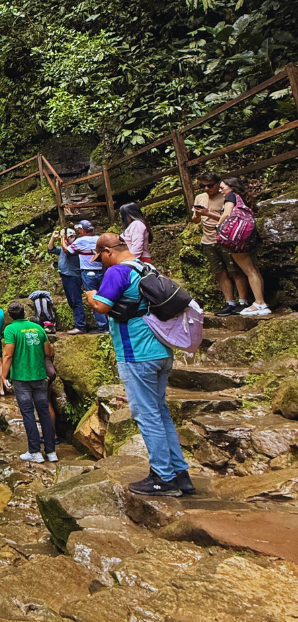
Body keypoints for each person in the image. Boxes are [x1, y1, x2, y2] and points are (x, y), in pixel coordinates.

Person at [86, 232, 192, 496]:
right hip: (161, 349)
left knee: (147, 415)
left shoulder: (117, 272)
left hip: (136, 353)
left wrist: (90, 296)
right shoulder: (147, 267)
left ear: (108, 252)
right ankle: (180, 474)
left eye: (101, 258)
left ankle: (163, 478)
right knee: (160, 412)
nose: (101, 263)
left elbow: (101, 306)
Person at [197, 178, 269, 317]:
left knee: (249, 270)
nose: (221, 190)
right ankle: (260, 302)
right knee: (253, 269)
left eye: (222, 187)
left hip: (237, 239)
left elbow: (227, 213)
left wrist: (220, 227)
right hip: (246, 237)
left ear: (231, 187)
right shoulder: (242, 198)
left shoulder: (231, 196)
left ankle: (259, 303)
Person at [2, 304, 56, 463]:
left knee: (28, 414)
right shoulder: (37, 328)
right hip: (39, 376)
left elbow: (8, 355)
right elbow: (49, 352)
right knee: (44, 413)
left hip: (22, 378)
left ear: (10, 315)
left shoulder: (11, 330)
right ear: (24, 313)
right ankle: (51, 451)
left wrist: (4, 376)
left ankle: (35, 452)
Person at [191, 172, 251, 315]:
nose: (206, 189)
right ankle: (229, 302)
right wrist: (197, 214)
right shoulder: (200, 197)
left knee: (235, 270)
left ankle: (243, 301)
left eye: (210, 186)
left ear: (218, 184)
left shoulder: (226, 196)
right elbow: (195, 220)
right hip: (208, 240)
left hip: (226, 239)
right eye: (202, 186)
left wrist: (208, 213)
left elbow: (231, 217)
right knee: (220, 273)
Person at [61, 221, 109, 332]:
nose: (78, 232)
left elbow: (66, 250)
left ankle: (103, 326)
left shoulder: (80, 241)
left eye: (79, 230)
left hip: (88, 272)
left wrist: (63, 238)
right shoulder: (99, 239)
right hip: (102, 271)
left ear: (83, 230)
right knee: (105, 296)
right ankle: (109, 325)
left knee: (93, 298)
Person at [47, 227, 89, 334]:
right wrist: (53, 238)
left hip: (73, 277)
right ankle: (79, 324)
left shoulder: (74, 248)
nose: (69, 239)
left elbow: (66, 250)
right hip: (66, 277)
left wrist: (63, 238)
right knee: (72, 302)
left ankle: (80, 326)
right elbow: (51, 249)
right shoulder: (63, 248)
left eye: (71, 237)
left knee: (76, 301)